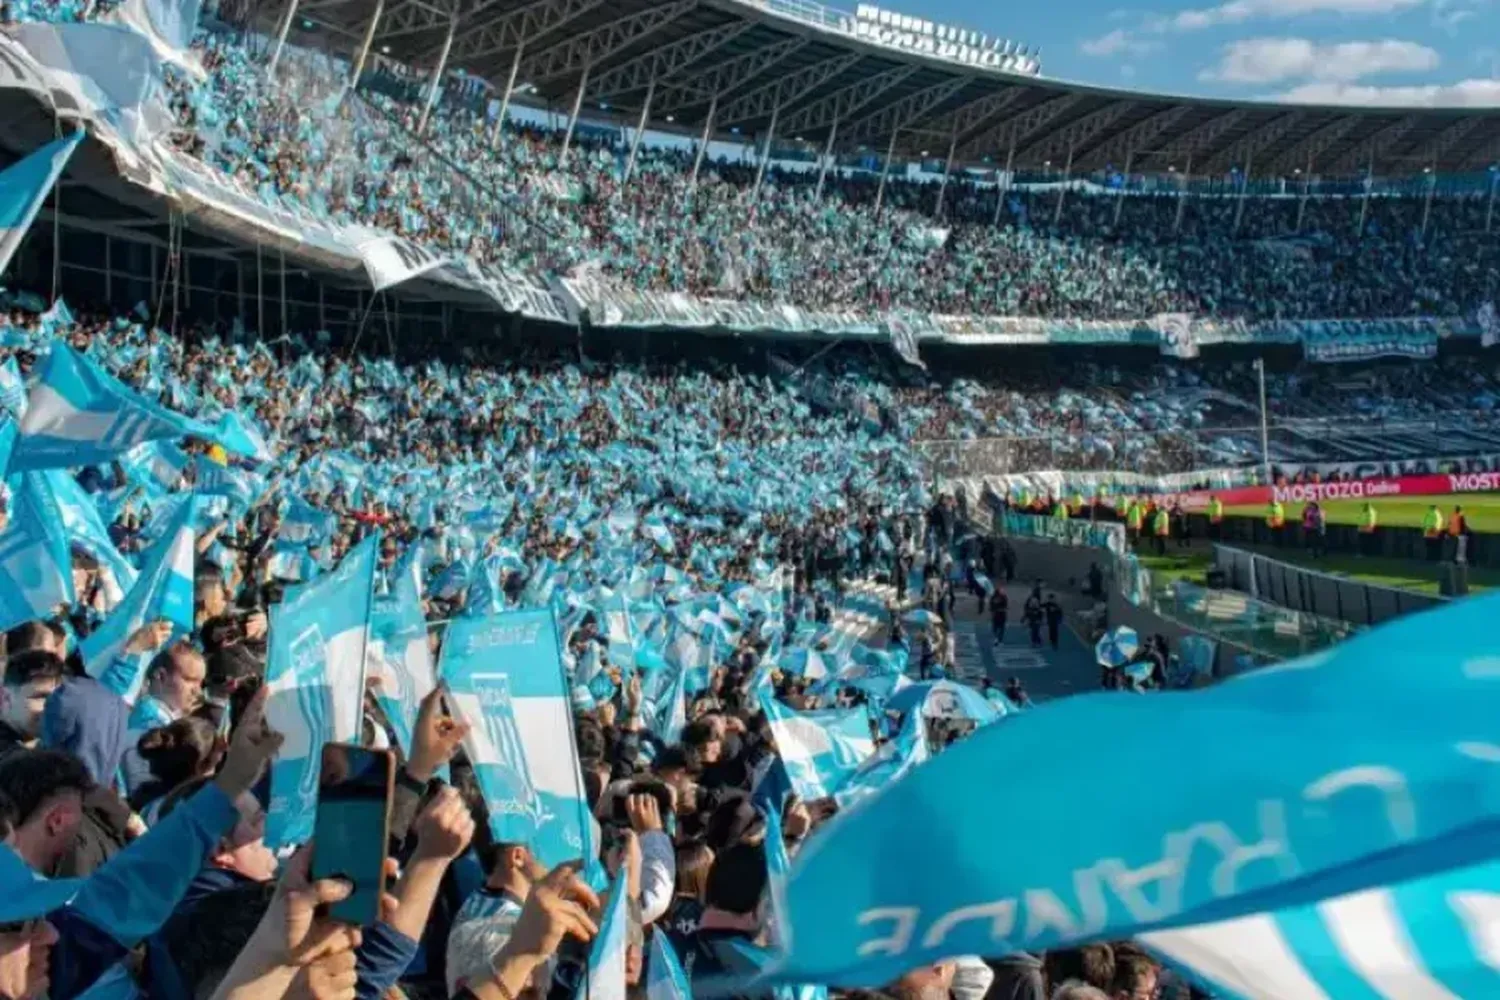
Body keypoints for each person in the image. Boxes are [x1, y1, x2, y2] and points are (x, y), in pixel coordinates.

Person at [0, 650, 65, 755]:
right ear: (6, 698)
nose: (54, 707)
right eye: (41, 697)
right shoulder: (11, 760)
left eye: (59, 698)